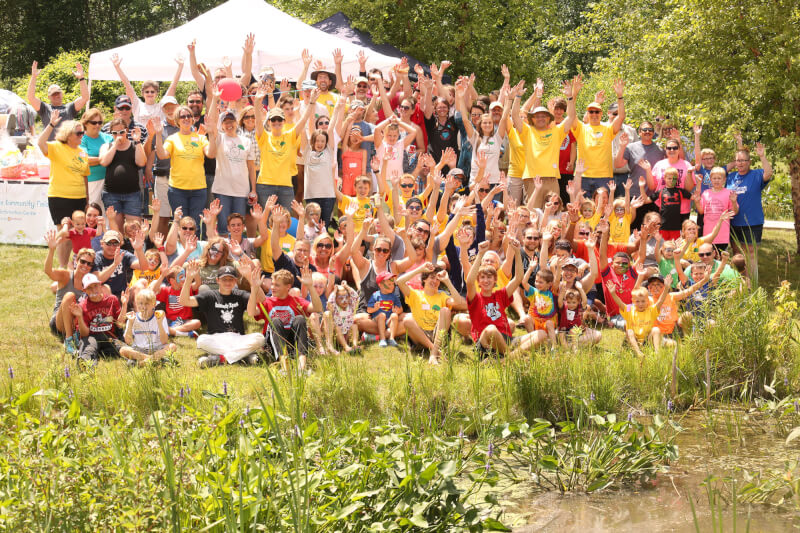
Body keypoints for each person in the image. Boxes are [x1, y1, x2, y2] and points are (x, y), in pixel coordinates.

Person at [152, 94, 219, 231]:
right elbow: (161, 155)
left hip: (198, 189)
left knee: (194, 226)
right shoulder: (172, 139)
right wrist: (158, 134)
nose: (186, 119)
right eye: (182, 116)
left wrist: (211, 133)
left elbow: (211, 154)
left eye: (189, 116)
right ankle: (181, 251)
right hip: (177, 190)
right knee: (181, 225)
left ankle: (194, 252)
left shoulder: (200, 138)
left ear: (193, 119)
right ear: (177, 120)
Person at [180, 262, 264, 367]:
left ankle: (221, 358)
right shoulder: (209, 295)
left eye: (231, 279)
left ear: (235, 281)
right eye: (224, 279)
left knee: (260, 338)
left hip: (237, 338)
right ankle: (243, 356)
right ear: (217, 280)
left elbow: (257, 305)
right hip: (216, 338)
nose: (228, 282)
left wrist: (251, 281)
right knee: (201, 340)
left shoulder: (241, 295)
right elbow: (184, 301)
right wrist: (188, 279)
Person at [510, 76, 579, 203]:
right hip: (532, 178)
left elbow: (571, 116)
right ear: (532, 119)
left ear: (549, 118)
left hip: (552, 179)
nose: (541, 118)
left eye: (544, 116)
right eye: (537, 116)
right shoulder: (527, 131)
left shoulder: (556, 131)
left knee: (553, 212)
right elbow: (514, 116)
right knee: (533, 213)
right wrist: (518, 97)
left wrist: (570, 97)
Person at [253, 83, 319, 210]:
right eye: (273, 120)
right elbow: (257, 122)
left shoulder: (290, 135)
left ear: (283, 121)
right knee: (268, 221)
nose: (276, 122)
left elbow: (304, 119)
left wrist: (311, 103)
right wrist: (256, 103)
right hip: (266, 185)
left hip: (286, 186)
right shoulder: (264, 136)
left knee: (285, 221)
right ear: (269, 122)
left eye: (279, 120)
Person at [38, 110, 90, 268]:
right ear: (68, 134)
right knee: (65, 232)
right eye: (79, 133)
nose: (82, 135)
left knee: (75, 234)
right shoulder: (56, 147)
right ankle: (62, 268)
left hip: (79, 197)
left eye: (83, 132)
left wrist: (87, 198)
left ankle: (71, 267)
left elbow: (84, 175)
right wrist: (52, 124)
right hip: (60, 197)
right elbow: (40, 143)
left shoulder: (82, 152)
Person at [248, 266, 323, 375]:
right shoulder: (268, 302)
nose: (272, 287)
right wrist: (254, 289)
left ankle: (301, 367)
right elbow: (251, 312)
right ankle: (284, 366)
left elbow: (318, 308)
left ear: (288, 287)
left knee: (300, 319)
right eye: (272, 284)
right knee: (276, 321)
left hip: (292, 344)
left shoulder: (295, 301)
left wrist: (310, 286)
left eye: (277, 285)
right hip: (273, 344)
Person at [397, 263, 465, 365]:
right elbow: (399, 281)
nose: (435, 281)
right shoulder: (415, 294)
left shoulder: (442, 296)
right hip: (420, 336)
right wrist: (419, 269)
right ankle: (436, 351)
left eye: (438, 279)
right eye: (432, 277)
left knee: (445, 311)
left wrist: (447, 281)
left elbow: (460, 303)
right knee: (407, 319)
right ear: (424, 279)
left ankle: (434, 353)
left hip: (439, 335)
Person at [571, 80, 626, 196]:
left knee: (602, 208)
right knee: (583, 208)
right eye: (591, 112)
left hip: (603, 176)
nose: (594, 114)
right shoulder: (581, 128)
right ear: (588, 113)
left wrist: (620, 96)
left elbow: (621, 116)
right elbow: (571, 115)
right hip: (583, 175)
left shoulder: (608, 129)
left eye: (597, 112)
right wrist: (574, 94)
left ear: (601, 114)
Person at [726, 143, 773, 280]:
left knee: (751, 253)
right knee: (737, 253)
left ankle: (752, 284)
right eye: (738, 160)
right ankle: (738, 283)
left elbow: (768, 173)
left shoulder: (756, 174)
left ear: (749, 162)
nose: (740, 163)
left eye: (743, 161)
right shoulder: (730, 177)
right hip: (734, 221)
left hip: (753, 221)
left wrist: (762, 156)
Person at [209, 107, 257, 236]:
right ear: (222, 125)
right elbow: (211, 122)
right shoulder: (219, 138)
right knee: (224, 227)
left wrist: (253, 189)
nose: (229, 125)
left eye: (231, 121)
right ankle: (224, 254)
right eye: (226, 122)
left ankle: (238, 253)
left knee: (238, 226)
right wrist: (214, 98)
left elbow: (251, 167)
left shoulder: (246, 141)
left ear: (236, 122)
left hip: (241, 191)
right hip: (222, 190)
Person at [68, 273, 125, 367]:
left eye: (95, 286)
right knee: (88, 348)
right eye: (89, 288)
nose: (94, 290)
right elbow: (84, 334)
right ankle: (85, 365)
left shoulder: (112, 300)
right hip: (92, 338)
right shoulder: (82, 305)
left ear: (100, 285)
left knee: (123, 348)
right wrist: (80, 317)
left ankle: (142, 358)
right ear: (84, 291)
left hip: (109, 337)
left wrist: (125, 305)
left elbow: (119, 324)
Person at [99, 118, 147, 229]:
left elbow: (141, 162)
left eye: (121, 132)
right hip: (111, 194)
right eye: (115, 133)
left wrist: (138, 141)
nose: (119, 135)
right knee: (116, 230)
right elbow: (104, 162)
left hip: (132, 194)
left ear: (126, 130)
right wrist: (115, 145)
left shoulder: (135, 146)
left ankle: (135, 246)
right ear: (111, 133)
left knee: (134, 229)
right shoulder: (107, 146)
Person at [615, 121, 665, 228]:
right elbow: (618, 164)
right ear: (639, 132)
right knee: (634, 227)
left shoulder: (660, 149)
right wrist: (622, 146)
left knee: (652, 227)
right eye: (645, 130)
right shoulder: (630, 147)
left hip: (654, 196)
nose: (647, 132)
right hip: (635, 194)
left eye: (650, 130)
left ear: (653, 132)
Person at [110, 53, 183, 124]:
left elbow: (173, 86)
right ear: (142, 93)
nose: (150, 94)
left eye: (152, 92)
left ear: (156, 93)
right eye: (147, 92)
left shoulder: (161, 106)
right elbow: (127, 85)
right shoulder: (137, 105)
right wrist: (117, 67)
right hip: (140, 136)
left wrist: (180, 66)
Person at [27, 60, 88, 141]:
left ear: (62, 94)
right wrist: (33, 77)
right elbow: (31, 97)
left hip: (66, 147)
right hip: (50, 148)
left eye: (58, 93)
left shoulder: (69, 108)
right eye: (54, 94)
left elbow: (85, 98)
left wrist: (81, 78)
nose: (56, 96)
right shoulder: (45, 108)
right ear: (49, 97)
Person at [606, 281, 670, 357]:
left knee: (656, 329)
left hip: (647, 341)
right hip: (634, 341)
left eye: (643, 301)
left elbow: (660, 301)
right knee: (629, 331)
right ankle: (638, 353)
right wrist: (613, 293)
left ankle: (657, 353)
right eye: (637, 301)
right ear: (633, 301)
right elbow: (620, 303)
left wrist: (666, 288)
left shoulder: (651, 310)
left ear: (647, 301)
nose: (640, 304)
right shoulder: (630, 309)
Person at [120, 289, 177, 366]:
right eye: (140, 303)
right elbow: (128, 342)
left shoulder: (160, 317)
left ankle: (143, 362)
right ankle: (151, 360)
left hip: (156, 349)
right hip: (139, 350)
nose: (143, 307)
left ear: (154, 304)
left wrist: (159, 323)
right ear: (136, 304)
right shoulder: (133, 318)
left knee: (172, 346)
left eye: (147, 304)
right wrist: (130, 323)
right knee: (123, 350)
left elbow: (164, 341)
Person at [93, 229, 149, 300]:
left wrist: (139, 249)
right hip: (105, 296)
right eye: (108, 243)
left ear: (120, 244)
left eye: (115, 243)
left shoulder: (123, 254)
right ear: (102, 244)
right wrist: (115, 264)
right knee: (104, 288)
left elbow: (144, 267)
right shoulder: (97, 257)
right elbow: (98, 279)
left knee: (140, 285)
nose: (112, 247)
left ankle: (137, 310)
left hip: (123, 295)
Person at [80, 108, 113, 209]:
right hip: (91, 182)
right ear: (85, 123)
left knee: (107, 213)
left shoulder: (108, 138)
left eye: (100, 122)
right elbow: (85, 160)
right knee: (92, 212)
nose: (97, 125)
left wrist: (97, 160)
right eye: (94, 123)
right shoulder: (81, 139)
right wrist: (104, 159)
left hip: (109, 182)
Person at [366, 272, 402, 347]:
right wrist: (375, 309)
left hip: (388, 320)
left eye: (393, 284)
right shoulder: (375, 295)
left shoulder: (394, 296)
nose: (392, 286)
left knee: (394, 315)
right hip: (377, 320)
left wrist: (397, 311)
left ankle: (391, 339)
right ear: (380, 285)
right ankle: (382, 339)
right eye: (389, 284)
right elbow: (368, 310)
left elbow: (400, 309)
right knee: (382, 315)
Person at [325, 282, 361, 354]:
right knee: (337, 327)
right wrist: (334, 292)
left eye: (346, 297)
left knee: (354, 325)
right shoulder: (335, 308)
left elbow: (356, 297)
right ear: (335, 299)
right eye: (340, 298)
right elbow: (330, 302)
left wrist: (347, 287)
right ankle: (346, 347)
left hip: (347, 334)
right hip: (337, 336)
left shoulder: (351, 306)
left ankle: (354, 345)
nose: (344, 300)